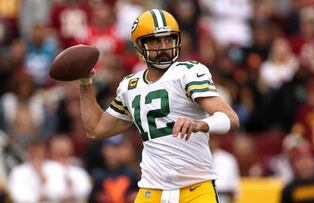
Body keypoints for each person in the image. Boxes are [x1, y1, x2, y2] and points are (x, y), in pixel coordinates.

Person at [79, 9, 239, 203]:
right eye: (155, 41)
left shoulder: (188, 72)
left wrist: (201, 124)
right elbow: (95, 129)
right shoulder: (130, 85)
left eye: (169, 39)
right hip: (151, 189)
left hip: (195, 188)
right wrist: (85, 83)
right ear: (139, 46)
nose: (164, 46)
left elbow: (231, 118)